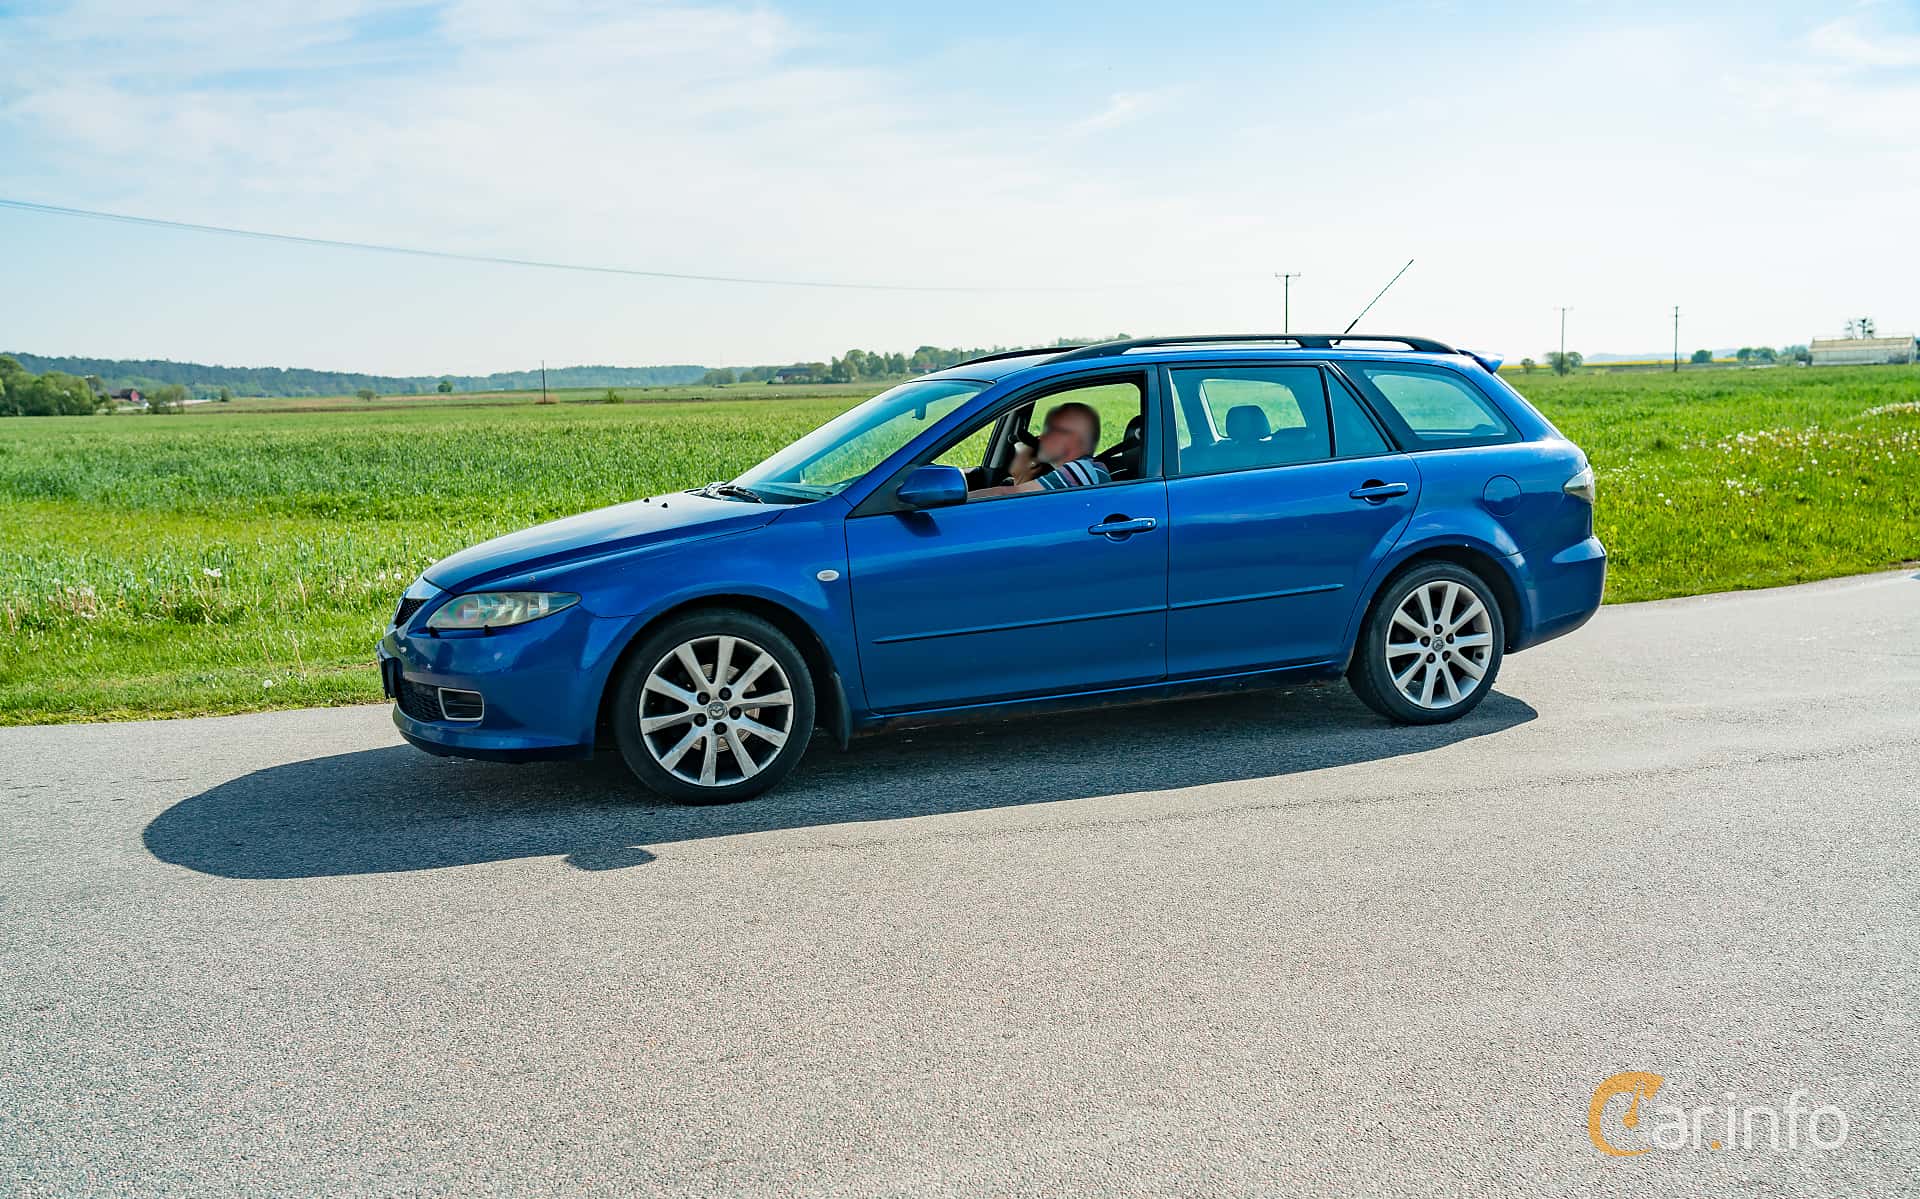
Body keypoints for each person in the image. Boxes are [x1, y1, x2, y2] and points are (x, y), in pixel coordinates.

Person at [968, 401, 1110, 498]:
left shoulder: (1082, 471)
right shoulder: (1084, 471)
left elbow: (1004, 494)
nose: (1041, 437)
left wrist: (953, 501)